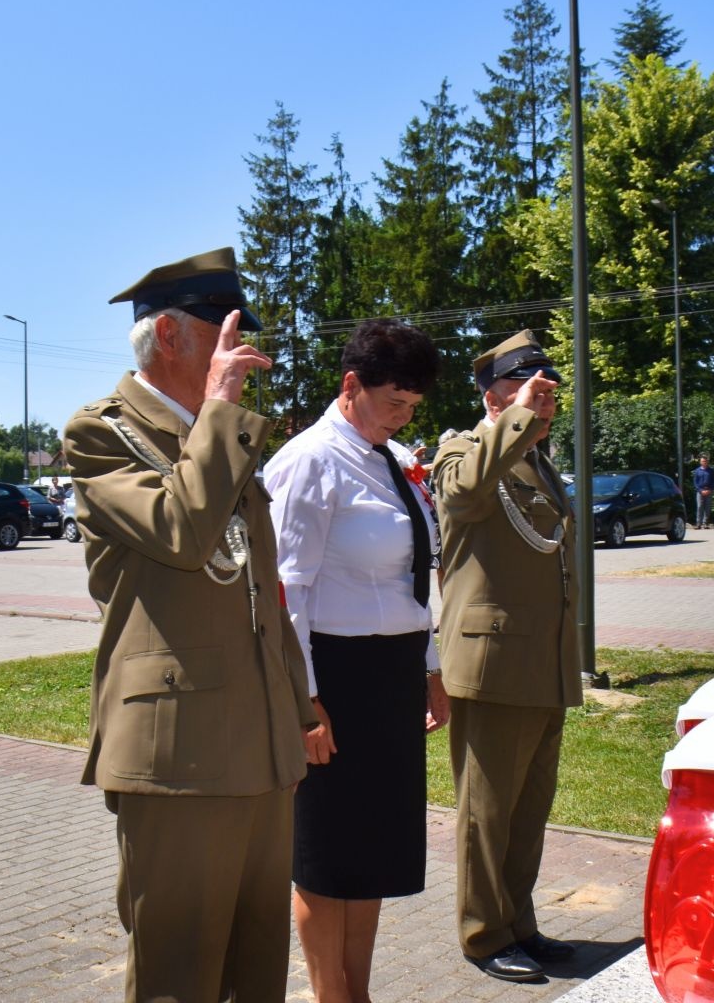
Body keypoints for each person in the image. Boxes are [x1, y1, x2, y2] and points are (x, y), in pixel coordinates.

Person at [62, 247, 318, 1003]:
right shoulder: (101, 433)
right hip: (178, 750)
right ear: (169, 336)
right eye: (222, 329)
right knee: (180, 973)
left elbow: (263, 591)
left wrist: (299, 706)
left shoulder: (216, 433)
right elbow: (181, 530)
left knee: (257, 968)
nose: (240, 348)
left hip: (261, 741)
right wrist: (221, 410)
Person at [263, 319, 450, 1003]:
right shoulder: (309, 461)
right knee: (327, 857)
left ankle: (358, 992)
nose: (403, 417)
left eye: (413, 406)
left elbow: (413, 577)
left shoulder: (390, 458)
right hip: (332, 678)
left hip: (390, 677)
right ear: (351, 385)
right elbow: (287, 593)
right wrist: (304, 702)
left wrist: (429, 668)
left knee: (371, 852)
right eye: (394, 401)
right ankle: (330, 996)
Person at [431, 330, 583, 983]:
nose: (544, 405)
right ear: (494, 397)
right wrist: (516, 421)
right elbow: (462, 496)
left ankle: (518, 923)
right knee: (487, 814)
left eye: (548, 395)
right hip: (492, 666)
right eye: (530, 392)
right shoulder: (460, 451)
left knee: (528, 810)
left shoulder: (538, 463)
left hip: (542, 663)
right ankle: (483, 933)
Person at [691, 454, 714, 529]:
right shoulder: (697, 471)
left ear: (707, 462)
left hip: (709, 491)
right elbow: (695, 482)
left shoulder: (711, 471)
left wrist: (710, 489)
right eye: (702, 461)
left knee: (708, 507)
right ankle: (698, 524)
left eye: (705, 461)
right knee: (699, 507)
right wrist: (700, 490)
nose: (704, 462)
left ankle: (706, 523)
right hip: (700, 491)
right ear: (700, 462)